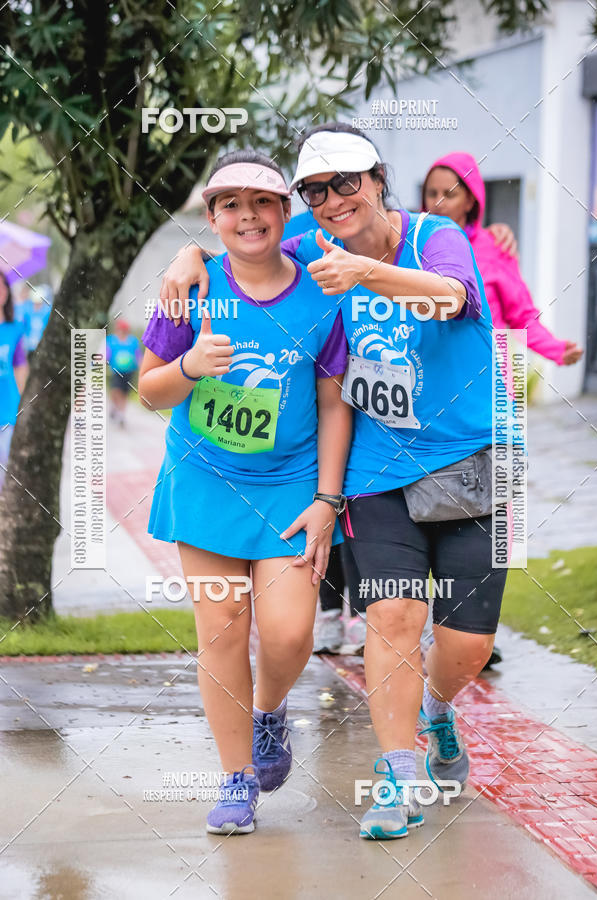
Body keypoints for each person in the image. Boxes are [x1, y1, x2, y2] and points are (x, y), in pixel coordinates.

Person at [159, 124, 510, 842]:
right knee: (392, 616)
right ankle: (395, 777)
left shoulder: (436, 235)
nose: (333, 199)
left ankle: (438, 708)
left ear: (379, 179)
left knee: (469, 645)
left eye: (346, 182)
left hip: (481, 457)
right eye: (316, 189)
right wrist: (185, 255)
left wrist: (362, 272)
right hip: (374, 470)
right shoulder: (306, 244)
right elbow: (242, 239)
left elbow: (451, 298)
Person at [139, 150, 352, 835]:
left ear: (284, 213)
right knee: (223, 629)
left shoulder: (322, 290)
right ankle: (237, 779)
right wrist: (189, 366)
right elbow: (148, 389)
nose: (248, 216)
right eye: (230, 204)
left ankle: (268, 712)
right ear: (212, 217)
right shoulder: (190, 288)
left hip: (289, 485)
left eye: (262, 202)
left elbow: (333, 403)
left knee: (289, 633)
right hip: (205, 481)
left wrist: (327, 500)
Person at [422, 153, 584, 367]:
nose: (438, 202)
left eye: (449, 194)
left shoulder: (496, 247)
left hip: (489, 375)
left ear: (470, 201)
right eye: (432, 193)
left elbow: (521, 314)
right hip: (432, 374)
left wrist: (555, 348)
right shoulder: (413, 248)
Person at [0, 272, 28, 491]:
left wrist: (24, 405)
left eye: (2, 286)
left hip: (8, 411)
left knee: (5, 473)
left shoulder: (15, 329)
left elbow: (20, 369)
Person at [106, 319, 142, 427]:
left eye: (123, 330)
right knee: (115, 390)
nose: (121, 331)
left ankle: (121, 414)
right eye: (119, 329)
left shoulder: (132, 341)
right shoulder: (111, 340)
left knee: (124, 393)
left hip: (129, 371)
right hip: (116, 371)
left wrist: (142, 367)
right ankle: (114, 406)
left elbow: (138, 355)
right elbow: (106, 353)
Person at [23, 283, 52, 359]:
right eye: (35, 302)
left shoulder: (46, 311)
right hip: (29, 346)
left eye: (39, 303)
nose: (37, 305)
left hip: (42, 346)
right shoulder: (27, 311)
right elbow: (24, 327)